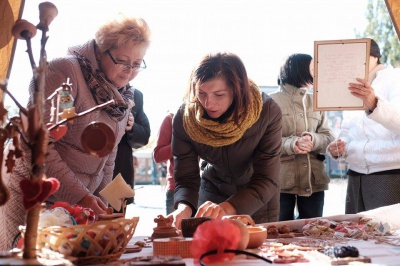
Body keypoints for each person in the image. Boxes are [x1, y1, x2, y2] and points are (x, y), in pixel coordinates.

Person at [0, 15, 151, 250]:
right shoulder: (65, 73)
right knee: (27, 254)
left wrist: (100, 205)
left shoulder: (124, 98)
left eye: (137, 64)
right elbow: (41, 145)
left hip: (75, 200)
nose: (129, 71)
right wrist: (81, 197)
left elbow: (108, 160)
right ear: (101, 51)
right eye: (122, 61)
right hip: (33, 191)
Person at [169, 52, 282, 229]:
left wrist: (226, 208)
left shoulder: (267, 111)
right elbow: (186, 178)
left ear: (238, 90)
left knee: (259, 254)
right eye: (201, 93)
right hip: (210, 195)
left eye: (219, 94)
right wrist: (184, 208)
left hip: (257, 200)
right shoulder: (184, 118)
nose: (208, 103)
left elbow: (267, 178)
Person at [326, 38, 400, 214]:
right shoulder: (351, 86)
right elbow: (347, 130)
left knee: (387, 237)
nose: (348, 62)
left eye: (355, 55)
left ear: (374, 56)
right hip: (355, 175)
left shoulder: (395, 78)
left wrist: (374, 104)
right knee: (356, 235)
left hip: (389, 173)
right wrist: (339, 147)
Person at [269, 53, 335, 221]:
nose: (316, 73)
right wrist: (292, 144)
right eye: (313, 69)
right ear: (298, 69)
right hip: (280, 182)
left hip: (314, 180)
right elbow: (263, 142)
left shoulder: (318, 101)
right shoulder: (269, 102)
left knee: (313, 232)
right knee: (279, 235)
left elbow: (328, 137)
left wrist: (313, 140)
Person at [113, 87, 150, 210]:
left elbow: (144, 136)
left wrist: (132, 127)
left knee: (116, 227)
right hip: (84, 178)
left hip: (118, 178)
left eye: (135, 66)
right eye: (125, 65)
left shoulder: (135, 95)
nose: (129, 69)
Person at [153, 112, 175, 215]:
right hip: (176, 189)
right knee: (173, 231)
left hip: (207, 190)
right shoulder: (171, 118)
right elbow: (158, 156)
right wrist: (181, 142)